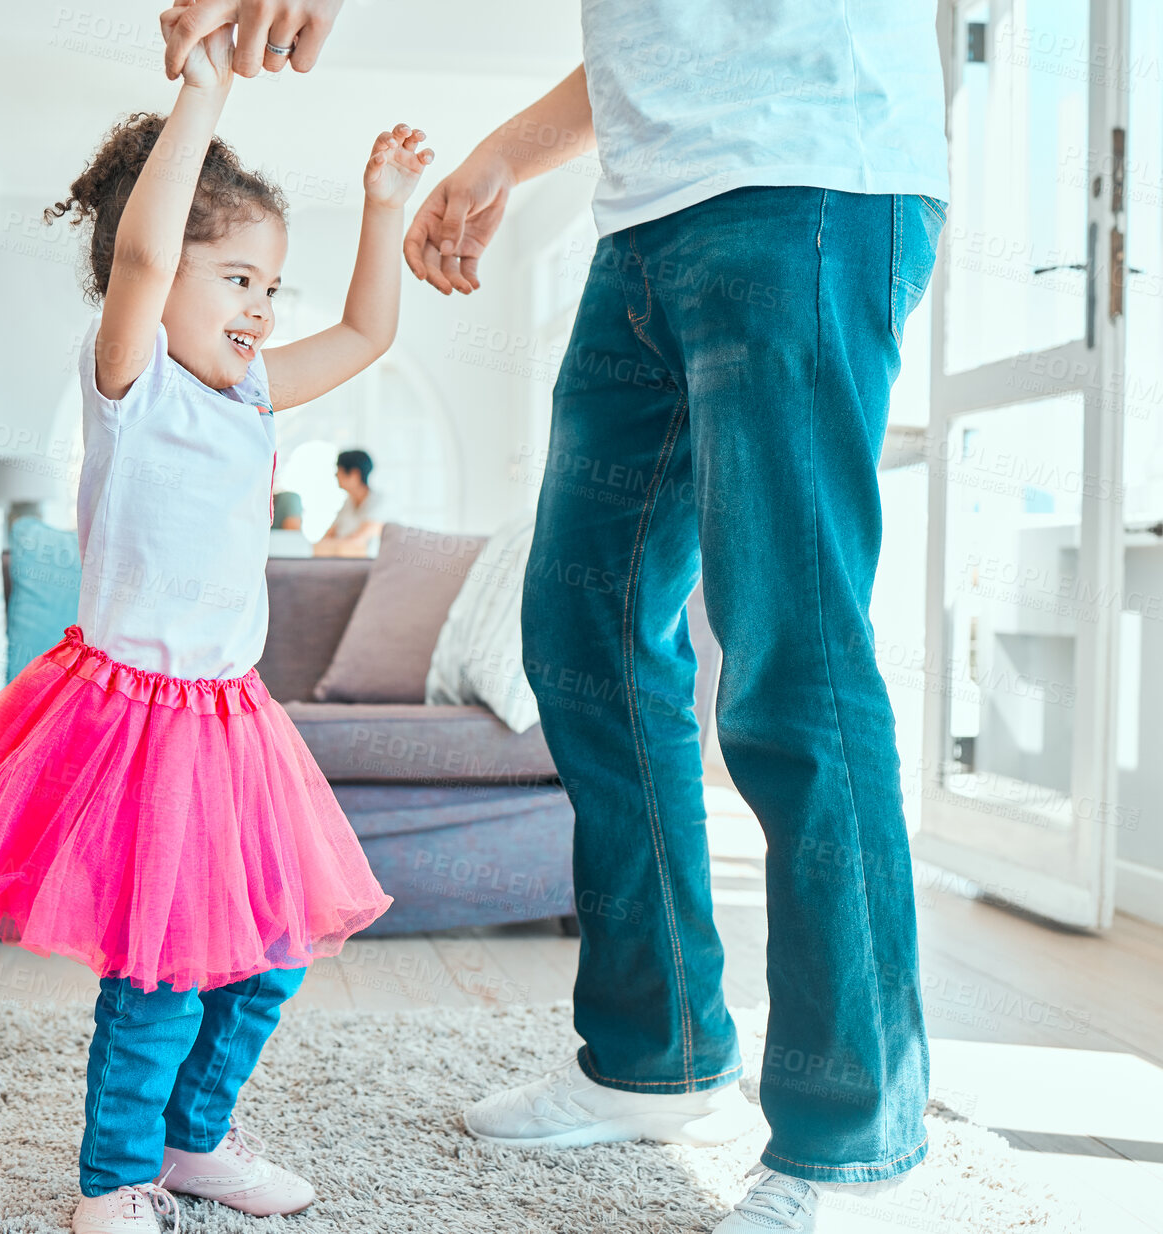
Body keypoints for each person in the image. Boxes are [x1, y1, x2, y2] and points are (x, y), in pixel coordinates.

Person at [0, 18, 432, 1234]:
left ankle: (195, 1137)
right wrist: (204, 99)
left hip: (233, 721)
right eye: (236, 277)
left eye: (270, 284)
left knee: (271, 952)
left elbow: (373, 333)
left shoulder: (256, 391)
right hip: (131, 717)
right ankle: (114, 1172)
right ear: (164, 273)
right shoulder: (130, 379)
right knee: (162, 969)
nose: (261, 309)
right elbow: (136, 259)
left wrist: (384, 209)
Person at [401, 7, 949, 1234]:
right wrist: (502, 152)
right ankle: (657, 1055)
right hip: (647, 218)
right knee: (582, 633)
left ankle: (853, 1135)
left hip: (807, 178)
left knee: (790, 655)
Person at [312, 448, 386, 557]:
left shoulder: (381, 504)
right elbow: (323, 540)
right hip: (341, 564)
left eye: (339, 470)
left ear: (355, 474)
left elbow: (356, 544)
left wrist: (332, 546)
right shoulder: (347, 503)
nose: (336, 475)